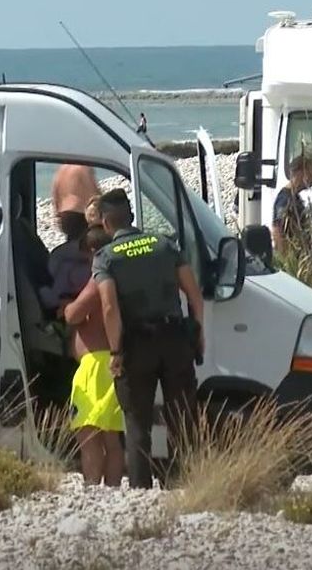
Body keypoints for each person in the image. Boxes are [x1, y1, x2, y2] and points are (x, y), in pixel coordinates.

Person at [92, 189, 204, 490]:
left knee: (137, 421)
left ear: (105, 223)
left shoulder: (106, 258)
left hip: (137, 345)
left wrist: (115, 350)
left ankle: (141, 491)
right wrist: (198, 331)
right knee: (182, 417)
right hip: (175, 339)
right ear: (131, 216)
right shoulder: (164, 245)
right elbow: (193, 294)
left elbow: (109, 307)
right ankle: (184, 483)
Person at [62, 225, 125, 486]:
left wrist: (66, 308)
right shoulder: (120, 276)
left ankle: (92, 489)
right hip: (111, 361)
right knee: (111, 437)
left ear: (91, 251)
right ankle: (111, 490)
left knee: (87, 434)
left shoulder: (99, 275)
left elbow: (74, 314)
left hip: (95, 367)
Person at [272, 154, 312, 254]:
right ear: (300, 173)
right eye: (311, 174)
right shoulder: (285, 199)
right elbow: (278, 230)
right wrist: (285, 260)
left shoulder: (295, 197)